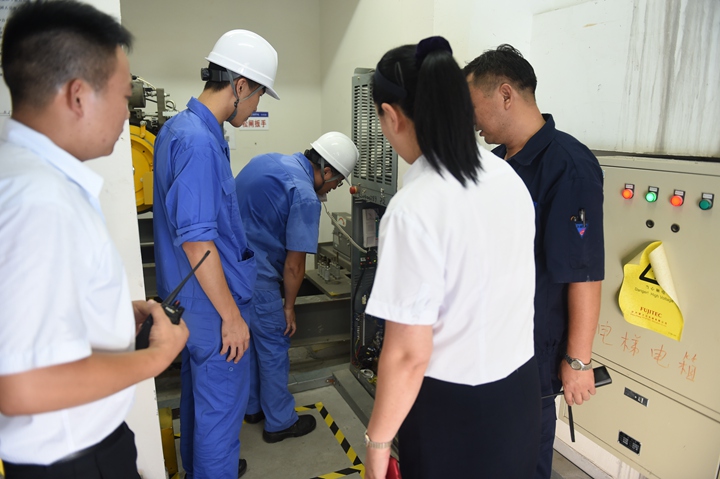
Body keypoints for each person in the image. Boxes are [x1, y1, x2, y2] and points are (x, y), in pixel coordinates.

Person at [0, 2, 189, 478]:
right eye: (123, 97)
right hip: (75, 462)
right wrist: (156, 358)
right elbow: (22, 386)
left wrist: (115, 315)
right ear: (79, 95)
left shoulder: (22, 175)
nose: (127, 114)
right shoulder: (40, 201)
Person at [363, 36, 541, 479]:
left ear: (390, 116)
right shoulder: (507, 177)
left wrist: (378, 445)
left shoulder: (414, 207)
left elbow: (409, 355)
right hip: (519, 396)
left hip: (453, 412)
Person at [463, 44, 605, 479]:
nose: (470, 119)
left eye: (472, 105)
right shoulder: (493, 165)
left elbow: (584, 271)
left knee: (523, 460)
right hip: (488, 342)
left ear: (505, 94)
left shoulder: (568, 166)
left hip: (533, 355)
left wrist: (578, 361)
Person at [152, 29, 279, 479]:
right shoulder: (200, 143)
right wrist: (232, 317)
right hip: (211, 306)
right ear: (240, 86)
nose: (257, 106)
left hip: (187, 301)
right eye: (258, 95)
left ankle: (200, 469)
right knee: (221, 416)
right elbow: (197, 242)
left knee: (199, 402)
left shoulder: (179, 129)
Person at [235, 132, 359, 442]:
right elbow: (294, 265)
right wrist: (289, 307)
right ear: (326, 171)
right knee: (273, 347)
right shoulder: (304, 196)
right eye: (335, 184)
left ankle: (253, 408)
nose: (331, 190)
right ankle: (280, 422)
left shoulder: (267, 161)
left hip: (233, 272)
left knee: (250, 343)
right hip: (260, 278)